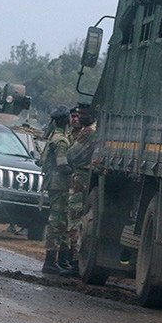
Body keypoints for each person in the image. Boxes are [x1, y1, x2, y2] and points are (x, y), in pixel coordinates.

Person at [40, 105, 75, 276]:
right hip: (59, 184)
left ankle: (60, 260)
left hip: (55, 184)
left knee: (62, 223)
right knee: (57, 223)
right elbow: (62, 165)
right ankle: (50, 261)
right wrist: (75, 170)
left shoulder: (56, 136)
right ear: (65, 120)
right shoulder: (61, 140)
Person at [65, 106, 97, 273]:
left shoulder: (88, 132)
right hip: (85, 178)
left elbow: (72, 155)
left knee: (75, 221)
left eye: (84, 114)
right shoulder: (92, 130)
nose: (80, 117)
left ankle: (76, 263)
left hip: (81, 179)